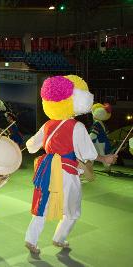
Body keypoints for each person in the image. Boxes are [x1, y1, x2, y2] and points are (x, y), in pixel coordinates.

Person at [24, 75, 117, 254]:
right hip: (66, 172)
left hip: (46, 170)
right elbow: (88, 154)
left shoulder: (48, 125)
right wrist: (105, 159)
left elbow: (31, 146)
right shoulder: (77, 127)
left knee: (42, 206)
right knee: (73, 211)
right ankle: (59, 238)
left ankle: (31, 239)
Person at [90, 103, 113, 170]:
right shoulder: (103, 124)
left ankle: (89, 167)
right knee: (98, 154)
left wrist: (88, 140)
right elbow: (107, 133)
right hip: (103, 142)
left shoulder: (96, 124)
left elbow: (93, 135)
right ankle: (107, 167)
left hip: (98, 142)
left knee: (94, 154)